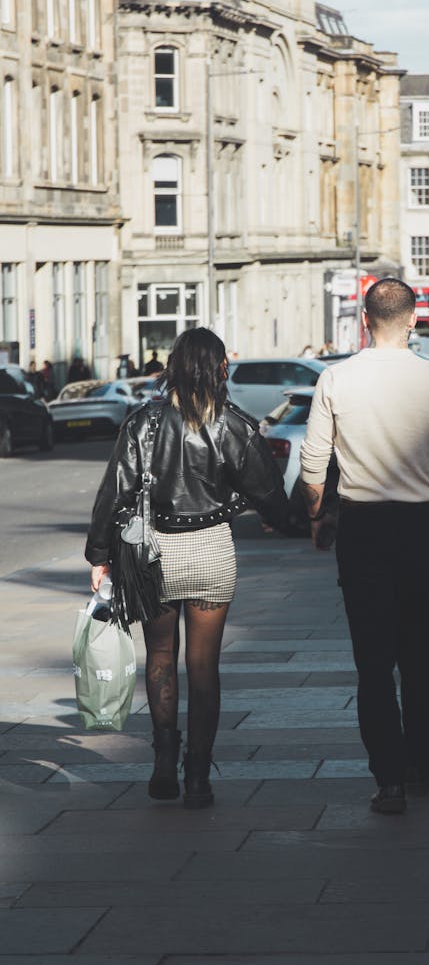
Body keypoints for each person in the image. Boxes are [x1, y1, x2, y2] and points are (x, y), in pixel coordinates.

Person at [299, 278, 429, 816]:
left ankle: (387, 780)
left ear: (365, 320)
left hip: (362, 530)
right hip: (418, 529)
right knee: (421, 651)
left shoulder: (335, 378)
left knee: (372, 661)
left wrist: (318, 515)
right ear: (415, 320)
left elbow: (313, 466)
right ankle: (423, 764)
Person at [85, 327, 288, 809]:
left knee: (159, 656)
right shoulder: (234, 423)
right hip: (211, 549)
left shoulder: (142, 422)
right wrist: (290, 517)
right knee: (204, 667)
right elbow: (270, 496)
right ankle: (198, 776)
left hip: (153, 551)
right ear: (221, 368)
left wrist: (100, 556)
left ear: (172, 366)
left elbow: (114, 491)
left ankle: (162, 762)